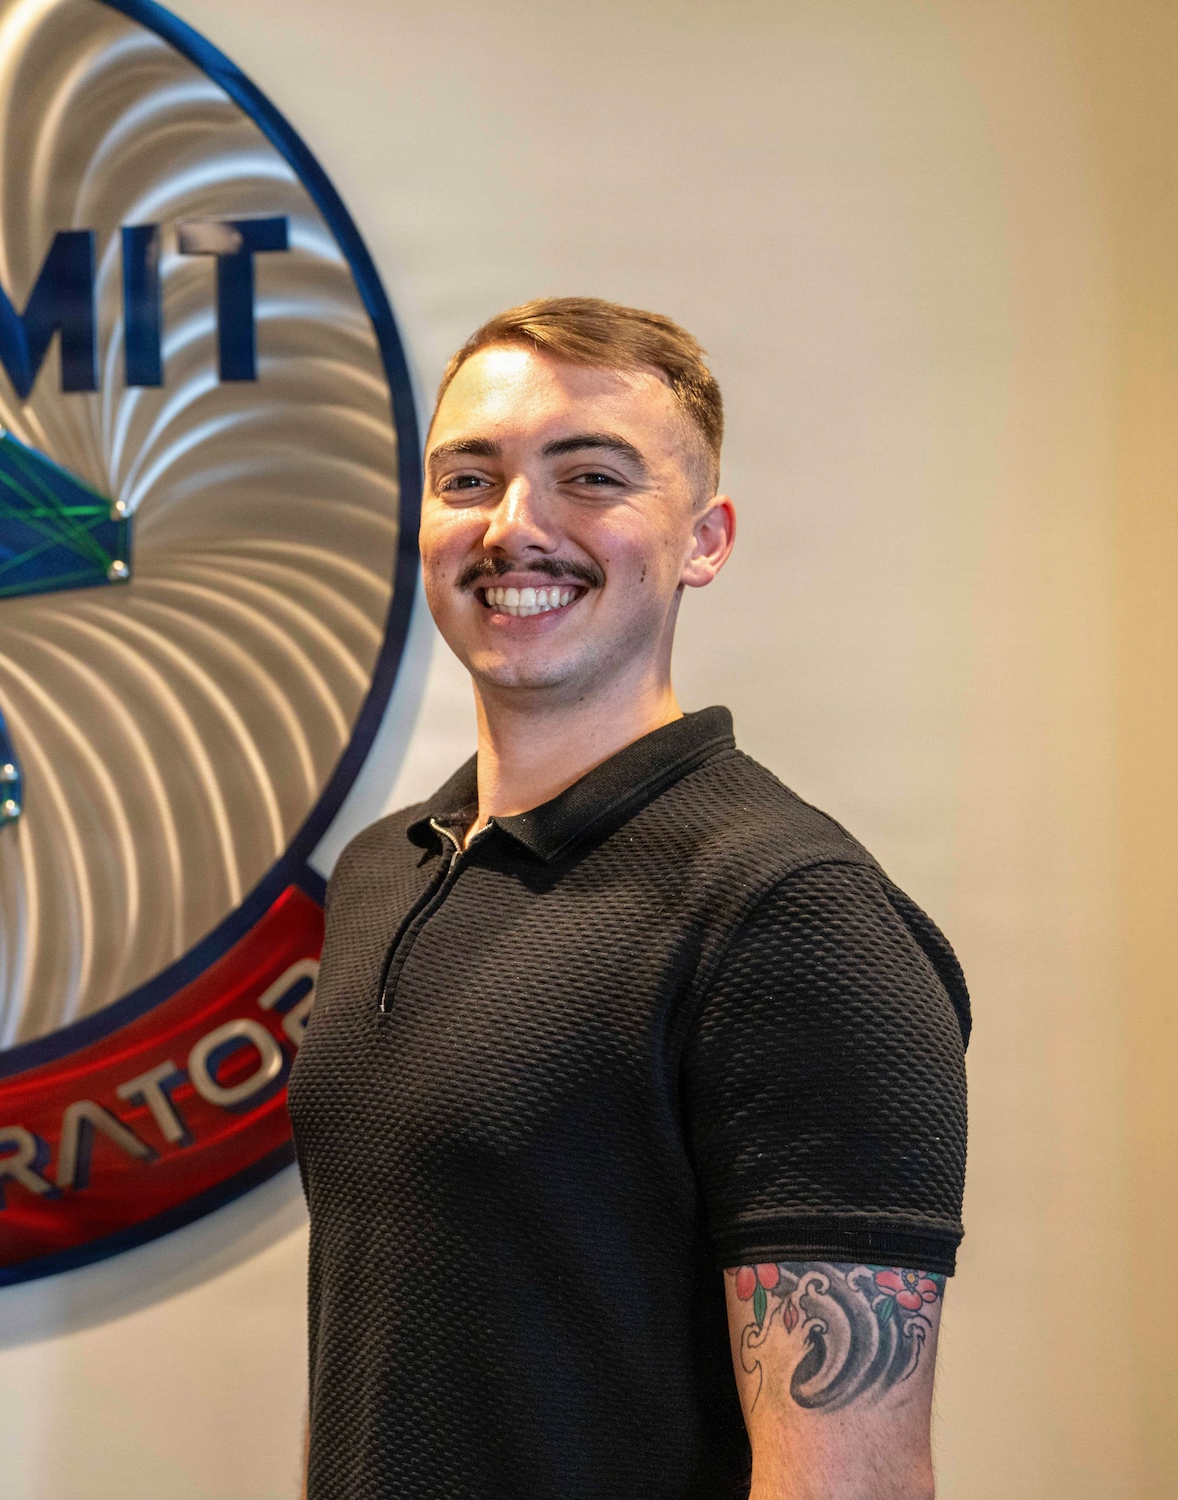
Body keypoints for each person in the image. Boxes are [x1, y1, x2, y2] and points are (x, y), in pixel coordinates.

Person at [287, 297, 970, 1500]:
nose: (515, 527)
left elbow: (847, 1486)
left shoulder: (789, 915)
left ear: (703, 540)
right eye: (468, 478)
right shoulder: (385, 871)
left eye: (589, 476)